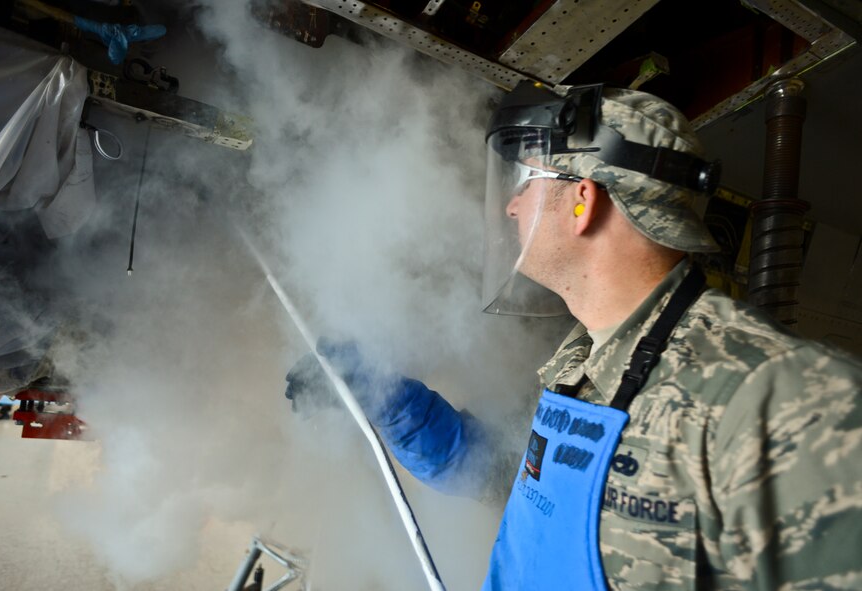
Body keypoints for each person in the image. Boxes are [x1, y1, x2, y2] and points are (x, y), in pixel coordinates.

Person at [285, 81, 862, 590]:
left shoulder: (776, 397)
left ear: (584, 200)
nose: (511, 207)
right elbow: (499, 476)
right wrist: (385, 400)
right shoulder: (579, 366)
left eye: (527, 184)